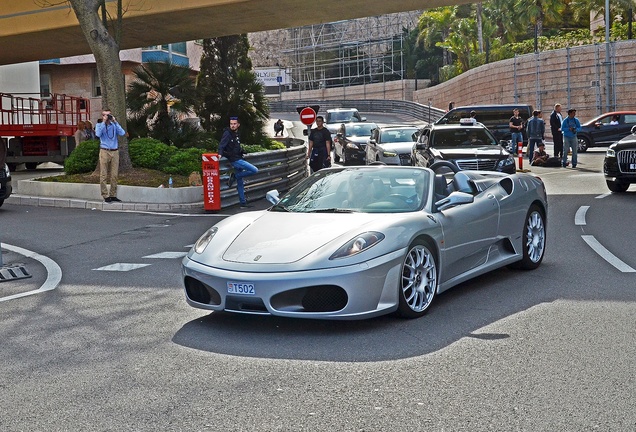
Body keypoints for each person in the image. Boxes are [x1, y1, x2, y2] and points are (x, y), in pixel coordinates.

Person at [219, 116, 258, 208]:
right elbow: (221, 145)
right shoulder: (227, 133)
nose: (232, 125)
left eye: (234, 124)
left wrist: (241, 151)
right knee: (254, 170)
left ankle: (243, 202)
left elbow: (236, 146)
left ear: (238, 125)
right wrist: (220, 154)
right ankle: (234, 176)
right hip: (235, 160)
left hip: (238, 157)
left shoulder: (236, 134)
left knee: (240, 183)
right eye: (231, 124)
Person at [95, 109, 126, 203]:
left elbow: (122, 133)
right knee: (103, 174)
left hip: (115, 151)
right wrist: (104, 123)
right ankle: (105, 195)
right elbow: (98, 134)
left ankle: (113, 194)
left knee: (114, 175)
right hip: (104, 151)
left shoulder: (114, 125)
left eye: (109, 115)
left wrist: (115, 122)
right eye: (105, 115)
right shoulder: (99, 125)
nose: (107, 117)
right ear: (102, 116)